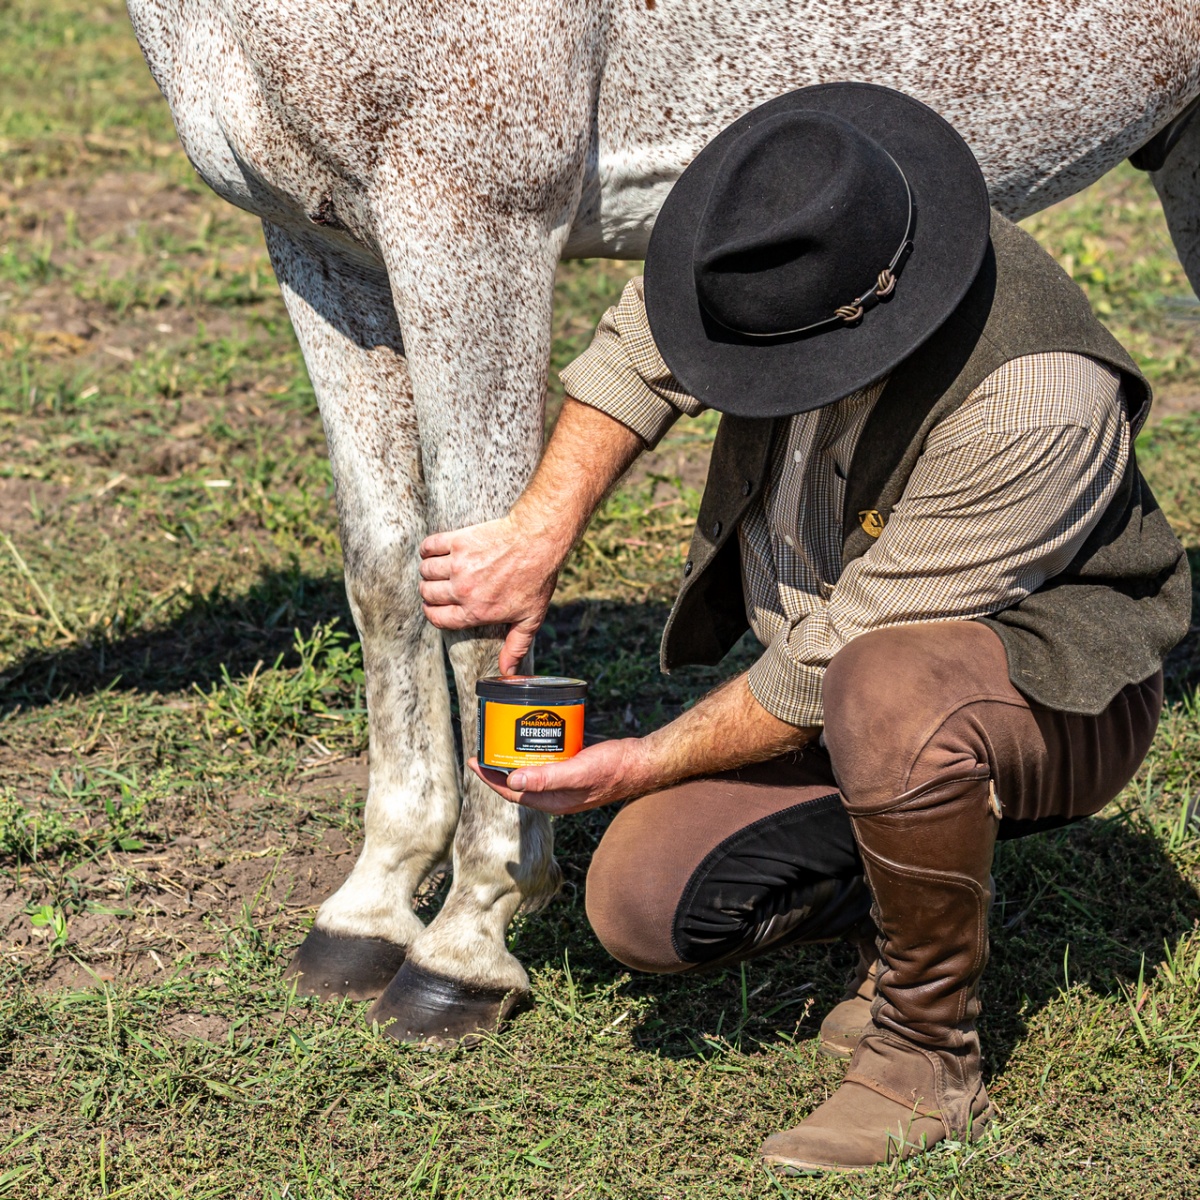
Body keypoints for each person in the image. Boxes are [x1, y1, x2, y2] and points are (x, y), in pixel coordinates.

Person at [417, 84, 1191, 1173]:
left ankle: (925, 1051)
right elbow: (641, 344)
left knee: (884, 690)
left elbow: (827, 665)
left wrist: (644, 760)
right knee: (642, 904)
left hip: (1048, 696)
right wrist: (537, 534)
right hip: (857, 677)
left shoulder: (1034, 402)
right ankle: (909, 872)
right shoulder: (790, 235)